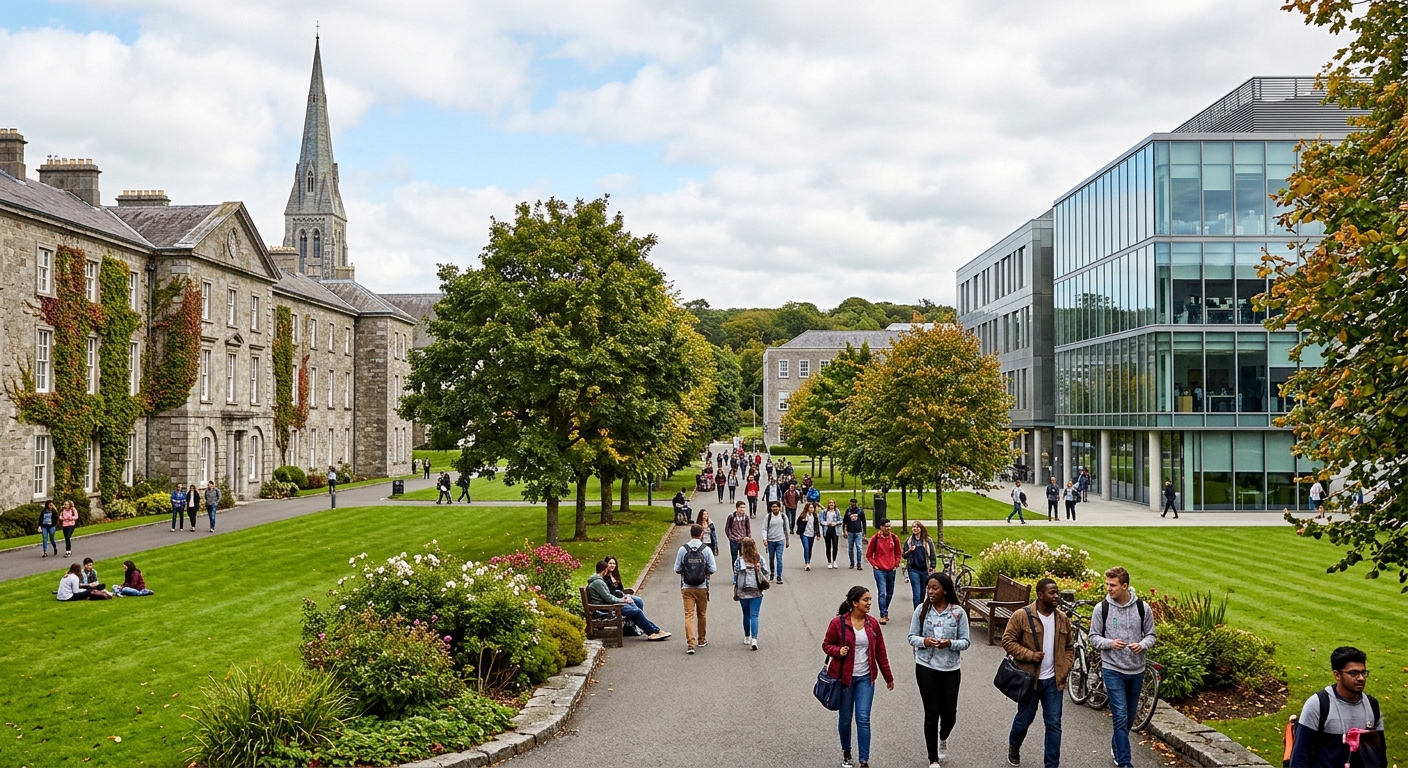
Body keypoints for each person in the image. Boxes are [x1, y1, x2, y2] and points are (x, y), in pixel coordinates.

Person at [1089, 566, 1157, 768]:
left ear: (1125, 586)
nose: (1108, 588)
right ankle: (1125, 763)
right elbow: (1093, 637)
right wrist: (1109, 643)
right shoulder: (1102, 608)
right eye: (1107, 584)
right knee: (1119, 715)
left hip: (1136, 670)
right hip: (1112, 669)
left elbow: (1151, 635)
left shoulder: (1142, 608)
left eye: (1113, 585)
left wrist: (1142, 645)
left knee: (1128, 719)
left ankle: (1117, 747)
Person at [1003, 577, 1073, 768]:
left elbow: (1069, 647)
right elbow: (1008, 641)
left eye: (1057, 592)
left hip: (1053, 681)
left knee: (1054, 724)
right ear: (1040, 595)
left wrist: (1066, 665)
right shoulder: (1022, 616)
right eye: (1052, 593)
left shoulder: (1062, 619)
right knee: (1024, 719)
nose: (1056, 596)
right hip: (1030, 679)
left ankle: (1051, 764)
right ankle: (1014, 745)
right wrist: (1030, 655)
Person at [824, 585, 895, 768]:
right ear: (855, 603)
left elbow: (880, 652)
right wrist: (838, 650)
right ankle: (847, 753)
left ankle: (864, 760)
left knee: (863, 718)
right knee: (846, 718)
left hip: (866, 678)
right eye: (866, 600)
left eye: (870, 599)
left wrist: (888, 677)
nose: (870, 603)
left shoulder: (872, 623)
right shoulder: (838, 623)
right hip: (844, 679)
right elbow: (826, 645)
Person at [910, 573, 970, 768]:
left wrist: (949, 643)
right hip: (926, 666)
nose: (930, 591)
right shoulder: (922, 610)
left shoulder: (958, 613)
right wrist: (925, 641)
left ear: (945, 590)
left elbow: (966, 642)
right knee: (931, 711)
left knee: (949, 713)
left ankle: (943, 736)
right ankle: (933, 758)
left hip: (951, 668)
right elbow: (911, 637)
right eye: (928, 588)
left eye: (934, 588)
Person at [1288, 646, 1385, 767]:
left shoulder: (1372, 705)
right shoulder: (1318, 704)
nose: (1361, 678)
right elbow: (1300, 757)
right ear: (1337, 675)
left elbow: (1379, 754)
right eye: (1353, 673)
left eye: (1363, 672)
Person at [586, 560, 671, 640]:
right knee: (637, 612)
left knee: (635, 610)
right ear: (604, 570)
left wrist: (622, 598)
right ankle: (654, 631)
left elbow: (609, 596)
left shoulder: (598, 580)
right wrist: (623, 600)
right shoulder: (598, 582)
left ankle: (654, 631)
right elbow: (608, 598)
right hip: (606, 609)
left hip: (609, 606)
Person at [673, 524, 717, 654]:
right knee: (702, 614)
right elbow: (713, 569)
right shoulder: (706, 550)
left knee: (689, 615)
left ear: (690, 533)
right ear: (702, 534)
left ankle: (690, 644)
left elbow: (677, 569)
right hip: (702, 586)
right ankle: (702, 639)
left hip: (687, 587)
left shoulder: (683, 549)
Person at [733, 537, 769, 650]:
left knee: (746, 614)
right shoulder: (760, 560)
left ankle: (747, 636)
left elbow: (735, 575)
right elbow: (766, 574)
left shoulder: (739, 561)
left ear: (743, 548)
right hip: (756, 591)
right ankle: (754, 639)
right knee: (754, 615)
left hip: (743, 592)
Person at [865, 519, 901, 623]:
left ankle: (885, 609)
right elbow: (869, 554)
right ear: (881, 527)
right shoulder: (875, 538)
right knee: (882, 592)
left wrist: (896, 564)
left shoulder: (894, 538)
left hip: (891, 569)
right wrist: (874, 564)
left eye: (889, 526)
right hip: (879, 569)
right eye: (886, 526)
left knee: (890, 593)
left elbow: (898, 553)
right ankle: (883, 615)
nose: (888, 528)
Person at [903, 521, 937, 608]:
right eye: (913, 527)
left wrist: (932, 566)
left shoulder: (927, 541)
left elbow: (932, 555)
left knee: (923, 593)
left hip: (925, 570)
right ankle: (917, 613)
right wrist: (909, 550)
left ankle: (921, 609)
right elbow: (904, 555)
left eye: (917, 527)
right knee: (916, 593)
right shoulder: (909, 541)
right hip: (913, 569)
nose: (915, 529)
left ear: (921, 529)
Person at [763, 501, 789, 584]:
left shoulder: (783, 517)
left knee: (779, 558)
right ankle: (772, 572)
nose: (775, 508)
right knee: (771, 558)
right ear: (771, 508)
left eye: (776, 506)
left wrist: (787, 540)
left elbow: (786, 529)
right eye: (773, 507)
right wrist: (764, 539)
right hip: (770, 540)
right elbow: (764, 529)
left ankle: (779, 576)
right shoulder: (768, 517)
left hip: (780, 540)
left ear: (779, 507)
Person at [844, 499, 867, 570]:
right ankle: (852, 563)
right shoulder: (848, 511)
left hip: (858, 531)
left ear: (856, 503)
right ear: (850, 503)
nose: (853, 504)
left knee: (859, 548)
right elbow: (844, 521)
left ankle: (859, 564)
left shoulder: (860, 511)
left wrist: (864, 531)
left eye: (854, 502)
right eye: (852, 502)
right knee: (850, 548)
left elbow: (863, 521)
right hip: (850, 531)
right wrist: (844, 530)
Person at [796, 502, 819, 570]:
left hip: (811, 534)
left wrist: (818, 534)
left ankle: (808, 560)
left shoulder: (814, 516)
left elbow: (816, 525)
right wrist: (803, 521)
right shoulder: (803, 515)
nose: (812, 509)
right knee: (806, 548)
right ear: (807, 508)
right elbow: (798, 523)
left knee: (810, 549)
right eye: (810, 508)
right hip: (804, 534)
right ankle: (807, 563)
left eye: (812, 508)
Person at [821, 498, 843, 569]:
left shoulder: (837, 511)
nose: (831, 504)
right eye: (830, 503)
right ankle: (829, 561)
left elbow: (840, 520)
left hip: (835, 529)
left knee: (835, 545)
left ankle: (834, 560)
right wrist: (827, 523)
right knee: (828, 546)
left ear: (834, 504)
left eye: (832, 503)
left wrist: (835, 523)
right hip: (827, 529)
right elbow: (821, 521)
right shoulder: (824, 511)